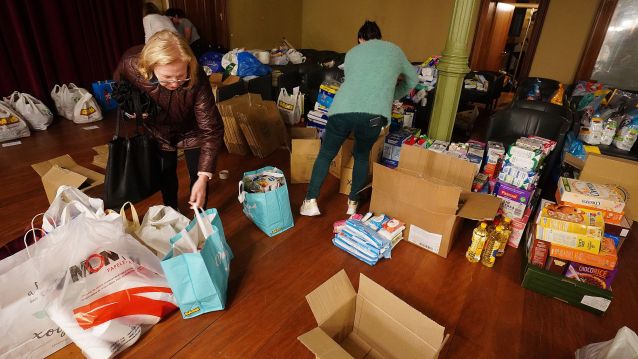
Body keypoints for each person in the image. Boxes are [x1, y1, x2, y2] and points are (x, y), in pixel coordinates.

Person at [301, 21, 417, 216]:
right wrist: (392, 95)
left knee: (327, 153)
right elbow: (413, 79)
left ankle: (310, 201)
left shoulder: (353, 53)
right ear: (379, 38)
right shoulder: (394, 51)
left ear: (360, 39)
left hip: (343, 110)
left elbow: (355, 83)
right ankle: (353, 203)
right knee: (362, 155)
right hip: (373, 115)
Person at [115, 30, 224, 210]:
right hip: (159, 128)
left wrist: (204, 178)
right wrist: (132, 108)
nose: (175, 83)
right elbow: (120, 85)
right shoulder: (132, 64)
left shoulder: (197, 78)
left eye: (181, 76)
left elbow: (212, 129)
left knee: (198, 177)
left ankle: (200, 214)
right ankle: (172, 212)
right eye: (166, 77)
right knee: (166, 173)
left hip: (192, 129)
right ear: (149, 67)